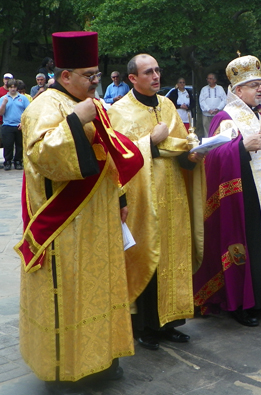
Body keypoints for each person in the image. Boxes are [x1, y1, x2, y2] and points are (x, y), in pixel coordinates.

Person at [15, 31, 144, 395]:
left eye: (96, 75)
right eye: (88, 75)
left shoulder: (95, 103)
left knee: (101, 290)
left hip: (100, 218)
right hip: (66, 227)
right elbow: (44, 158)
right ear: (65, 75)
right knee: (68, 294)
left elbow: (111, 158)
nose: (95, 82)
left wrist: (120, 200)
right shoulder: (43, 106)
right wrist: (75, 121)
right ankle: (63, 369)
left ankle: (102, 360)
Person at [108, 54, 205, 351]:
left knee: (173, 256)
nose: (155, 76)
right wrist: (150, 141)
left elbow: (180, 147)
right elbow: (117, 157)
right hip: (142, 197)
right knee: (146, 255)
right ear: (132, 79)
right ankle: (145, 326)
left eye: (158, 70)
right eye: (148, 72)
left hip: (173, 191)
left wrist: (193, 154)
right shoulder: (119, 111)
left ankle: (171, 322)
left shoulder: (168, 105)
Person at [193, 55, 261, 327]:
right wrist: (240, 148)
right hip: (245, 195)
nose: (260, 89)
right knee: (250, 247)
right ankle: (242, 304)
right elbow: (212, 156)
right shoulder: (227, 117)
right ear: (238, 91)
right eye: (253, 85)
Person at [0, 79, 30, 170]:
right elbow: (1, 113)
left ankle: (18, 161)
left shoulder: (23, 98)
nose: (13, 89)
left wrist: (23, 122)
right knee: (8, 144)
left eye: (14, 87)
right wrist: (4, 104)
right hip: (7, 125)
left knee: (19, 144)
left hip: (19, 125)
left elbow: (28, 111)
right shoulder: (3, 98)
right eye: (11, 87)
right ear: (8, 88)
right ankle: (7, 161)